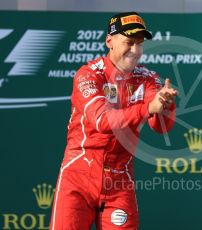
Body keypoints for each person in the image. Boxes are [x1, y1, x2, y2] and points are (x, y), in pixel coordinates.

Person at [50, 12, 177, 230]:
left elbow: (161, 127)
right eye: (129, 42)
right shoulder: (89, 74)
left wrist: (165, 106)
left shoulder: (147, 78)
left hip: (120, 180)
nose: (136, 51)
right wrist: (147, 108)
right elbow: (101, 120)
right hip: (78, 175)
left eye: (140, 44)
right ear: (109, 40)